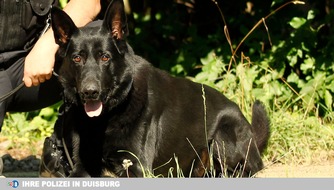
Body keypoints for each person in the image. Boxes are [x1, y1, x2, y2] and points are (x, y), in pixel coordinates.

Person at [0, 0, 101, 177]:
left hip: (39, 59)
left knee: (99, 38)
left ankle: (60, 151)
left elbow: (89, 2)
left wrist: (47, 46)